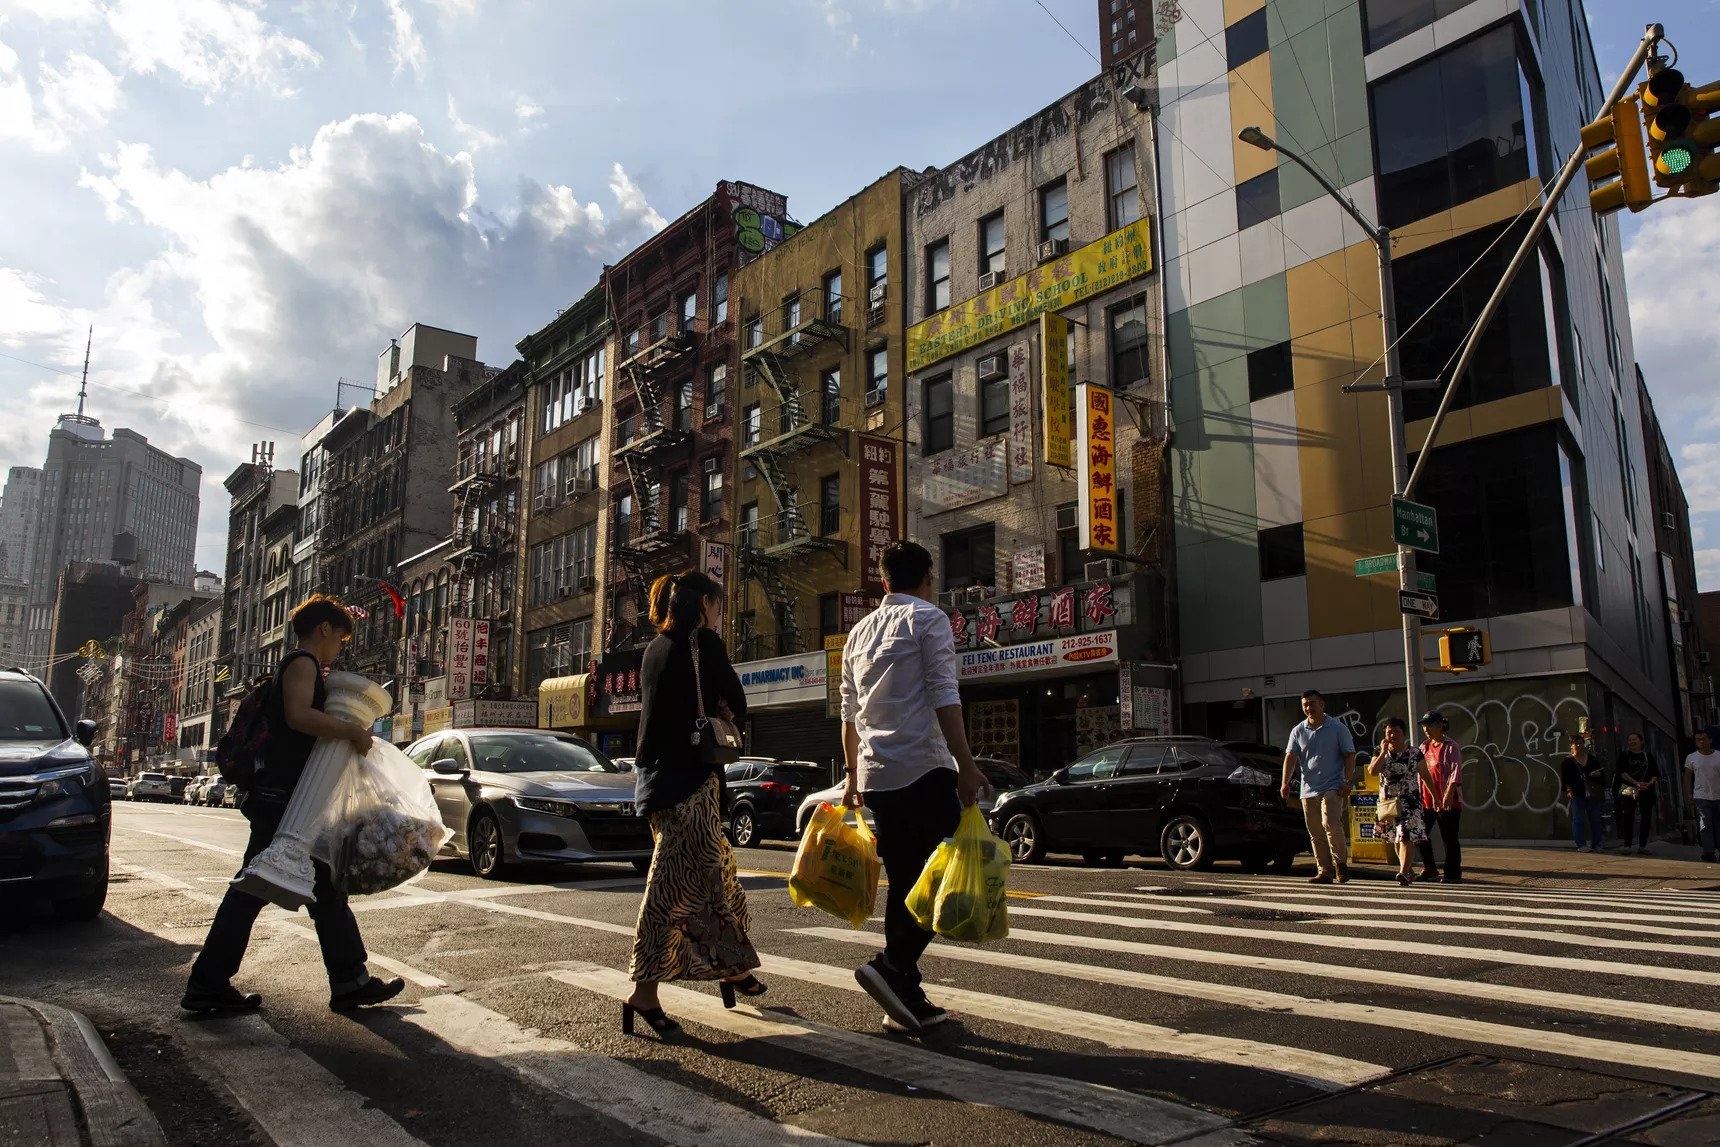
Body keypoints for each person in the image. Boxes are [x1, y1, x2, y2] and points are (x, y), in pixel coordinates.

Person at [181, 596, 405, 1014]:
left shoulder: (300, 665)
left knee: (323, 889)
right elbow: (299, 716)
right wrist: (352, 731)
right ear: (324, 629)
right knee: (255, 888)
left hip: (289, 798)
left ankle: (349, 980)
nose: (339, 646)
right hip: (284, 801)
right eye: (340, 637)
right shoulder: (302, 663)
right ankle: (208, 982)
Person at [841, 541, 986, 1034]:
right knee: (943, 877)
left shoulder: (858, 632)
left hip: (877, 775)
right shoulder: (929, 618)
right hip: (923, 767)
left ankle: (903, 994)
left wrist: (851, 777)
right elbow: (945, 693)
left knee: (906, 882)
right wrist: (966, 765)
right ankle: (892, 966)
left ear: (884, 581)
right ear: (928, 577)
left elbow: (849, 714)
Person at [624, 570, 761, 1036]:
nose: (719, 613)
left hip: (656, 784)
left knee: (717, 873)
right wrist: (726, 712)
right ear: (704, 604)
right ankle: (646, 993)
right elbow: (736, 702)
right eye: (717, 604)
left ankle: (731, 967)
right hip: (692, 785)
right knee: (674, 887)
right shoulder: (704, 644)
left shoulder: (653, 650)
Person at [1280, 690, 1356, 885]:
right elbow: (1290, 757)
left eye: (1312, 703)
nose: (1308, 707)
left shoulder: (1337, 728)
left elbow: (1349, 755)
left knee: (1330, 823)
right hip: (1308, 788)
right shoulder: (1298, 730)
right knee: (1315, 832)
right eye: (1305, 704)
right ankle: (1324, 870)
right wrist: (1285, 782)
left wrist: (1347, 781)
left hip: (1333, 785)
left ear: (1322, 704)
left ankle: (1340, 863)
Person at [1366, 718, 1432, 886]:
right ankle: (1407, 869)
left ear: (1404, 734)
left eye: (1396, 732)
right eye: (1389, 732)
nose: (1393, 735)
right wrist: (1382, 752)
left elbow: (1425, 776)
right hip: (1388, 803)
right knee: (1395, 837)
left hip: (1410, 801)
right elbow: (1372, 771)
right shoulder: (1379, 752)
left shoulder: (1415, 753)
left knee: (1406, 835)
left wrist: (1436, 797)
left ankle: (1402, 872)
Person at [1415, 710, 1465, 884]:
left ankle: (1453, 873)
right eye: (1424, 726)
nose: (1426, 729)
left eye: (1429, 725)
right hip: (1427, 799)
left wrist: (1449, 794)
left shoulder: (1451, 746)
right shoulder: (1424, 746)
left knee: (1449, 838)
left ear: (1439, 725)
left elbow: (1455, 771)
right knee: (1419, 833)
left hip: (1447, 799)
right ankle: (1429, 868)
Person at [1560, 732, 1609, 852]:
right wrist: (1569, 790)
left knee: (1595, 818)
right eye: (1575, 743)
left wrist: (1597, 779)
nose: (1578, 745)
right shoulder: (1568, 761)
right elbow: (1565, 778)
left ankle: (1596, 844)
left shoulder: (1592, 759)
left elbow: (1601, 773)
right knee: (1578, 819)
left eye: (1580, 743)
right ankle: (1581, 844)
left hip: (1592, 792)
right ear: (1571, 745)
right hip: (1577, 792)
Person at [1614, 732, 1658, 855]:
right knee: (1628, 816)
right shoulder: (1624, 755)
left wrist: (1648, 784)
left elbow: (1655, 773)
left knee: (1646, 817)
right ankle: (1627, 845)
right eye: (1630, 740)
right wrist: (1636, 783)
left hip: (1646, 789)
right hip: (1629, 788)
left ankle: (1643, 846)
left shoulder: (1648, 756)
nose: (1632, 742)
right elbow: (1621, 773)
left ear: (1641, 741)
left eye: (1635, 739)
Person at [1686, 729, 1720, 864]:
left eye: (1704, 739)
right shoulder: (1691, 757)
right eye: (1698, 739)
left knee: (1718, 824)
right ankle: (1709, 852)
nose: (1701, 741)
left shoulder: (1718, 756)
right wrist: (1689, 795)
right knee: (1705, 824)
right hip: (1701, 796)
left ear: (1710, 740)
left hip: (1718, 796)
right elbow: (1687, 777)